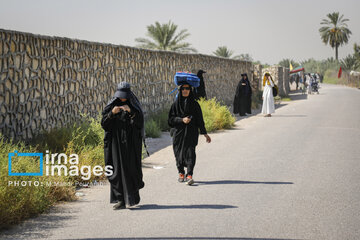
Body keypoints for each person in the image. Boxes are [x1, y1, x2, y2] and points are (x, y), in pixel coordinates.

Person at [101, 82, 145, 210]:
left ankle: (132, 199)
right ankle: (120, 200)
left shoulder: (134, 106)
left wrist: (130, 111)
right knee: (116, 171)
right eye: (120, 96)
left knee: (131, 170)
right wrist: (112, 114)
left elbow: (139, 123)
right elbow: (104, 124)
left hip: (130, 146)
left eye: (124, 96)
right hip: (115, 145)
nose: (122, 99)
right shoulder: (111, 106)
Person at [168, 83, 211, 185]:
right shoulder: (175, 105)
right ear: (180, 90)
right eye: (183, 88)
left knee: (190, 153)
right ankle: (181, 173)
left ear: (190, 90)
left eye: (187, 88)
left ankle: (189, 175)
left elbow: (200, 120)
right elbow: (170, 120)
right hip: (178, 133)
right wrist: (181, 120)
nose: (185, 90)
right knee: (178, 153)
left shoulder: (195, 105)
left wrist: (205, 134)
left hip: (191, 133)